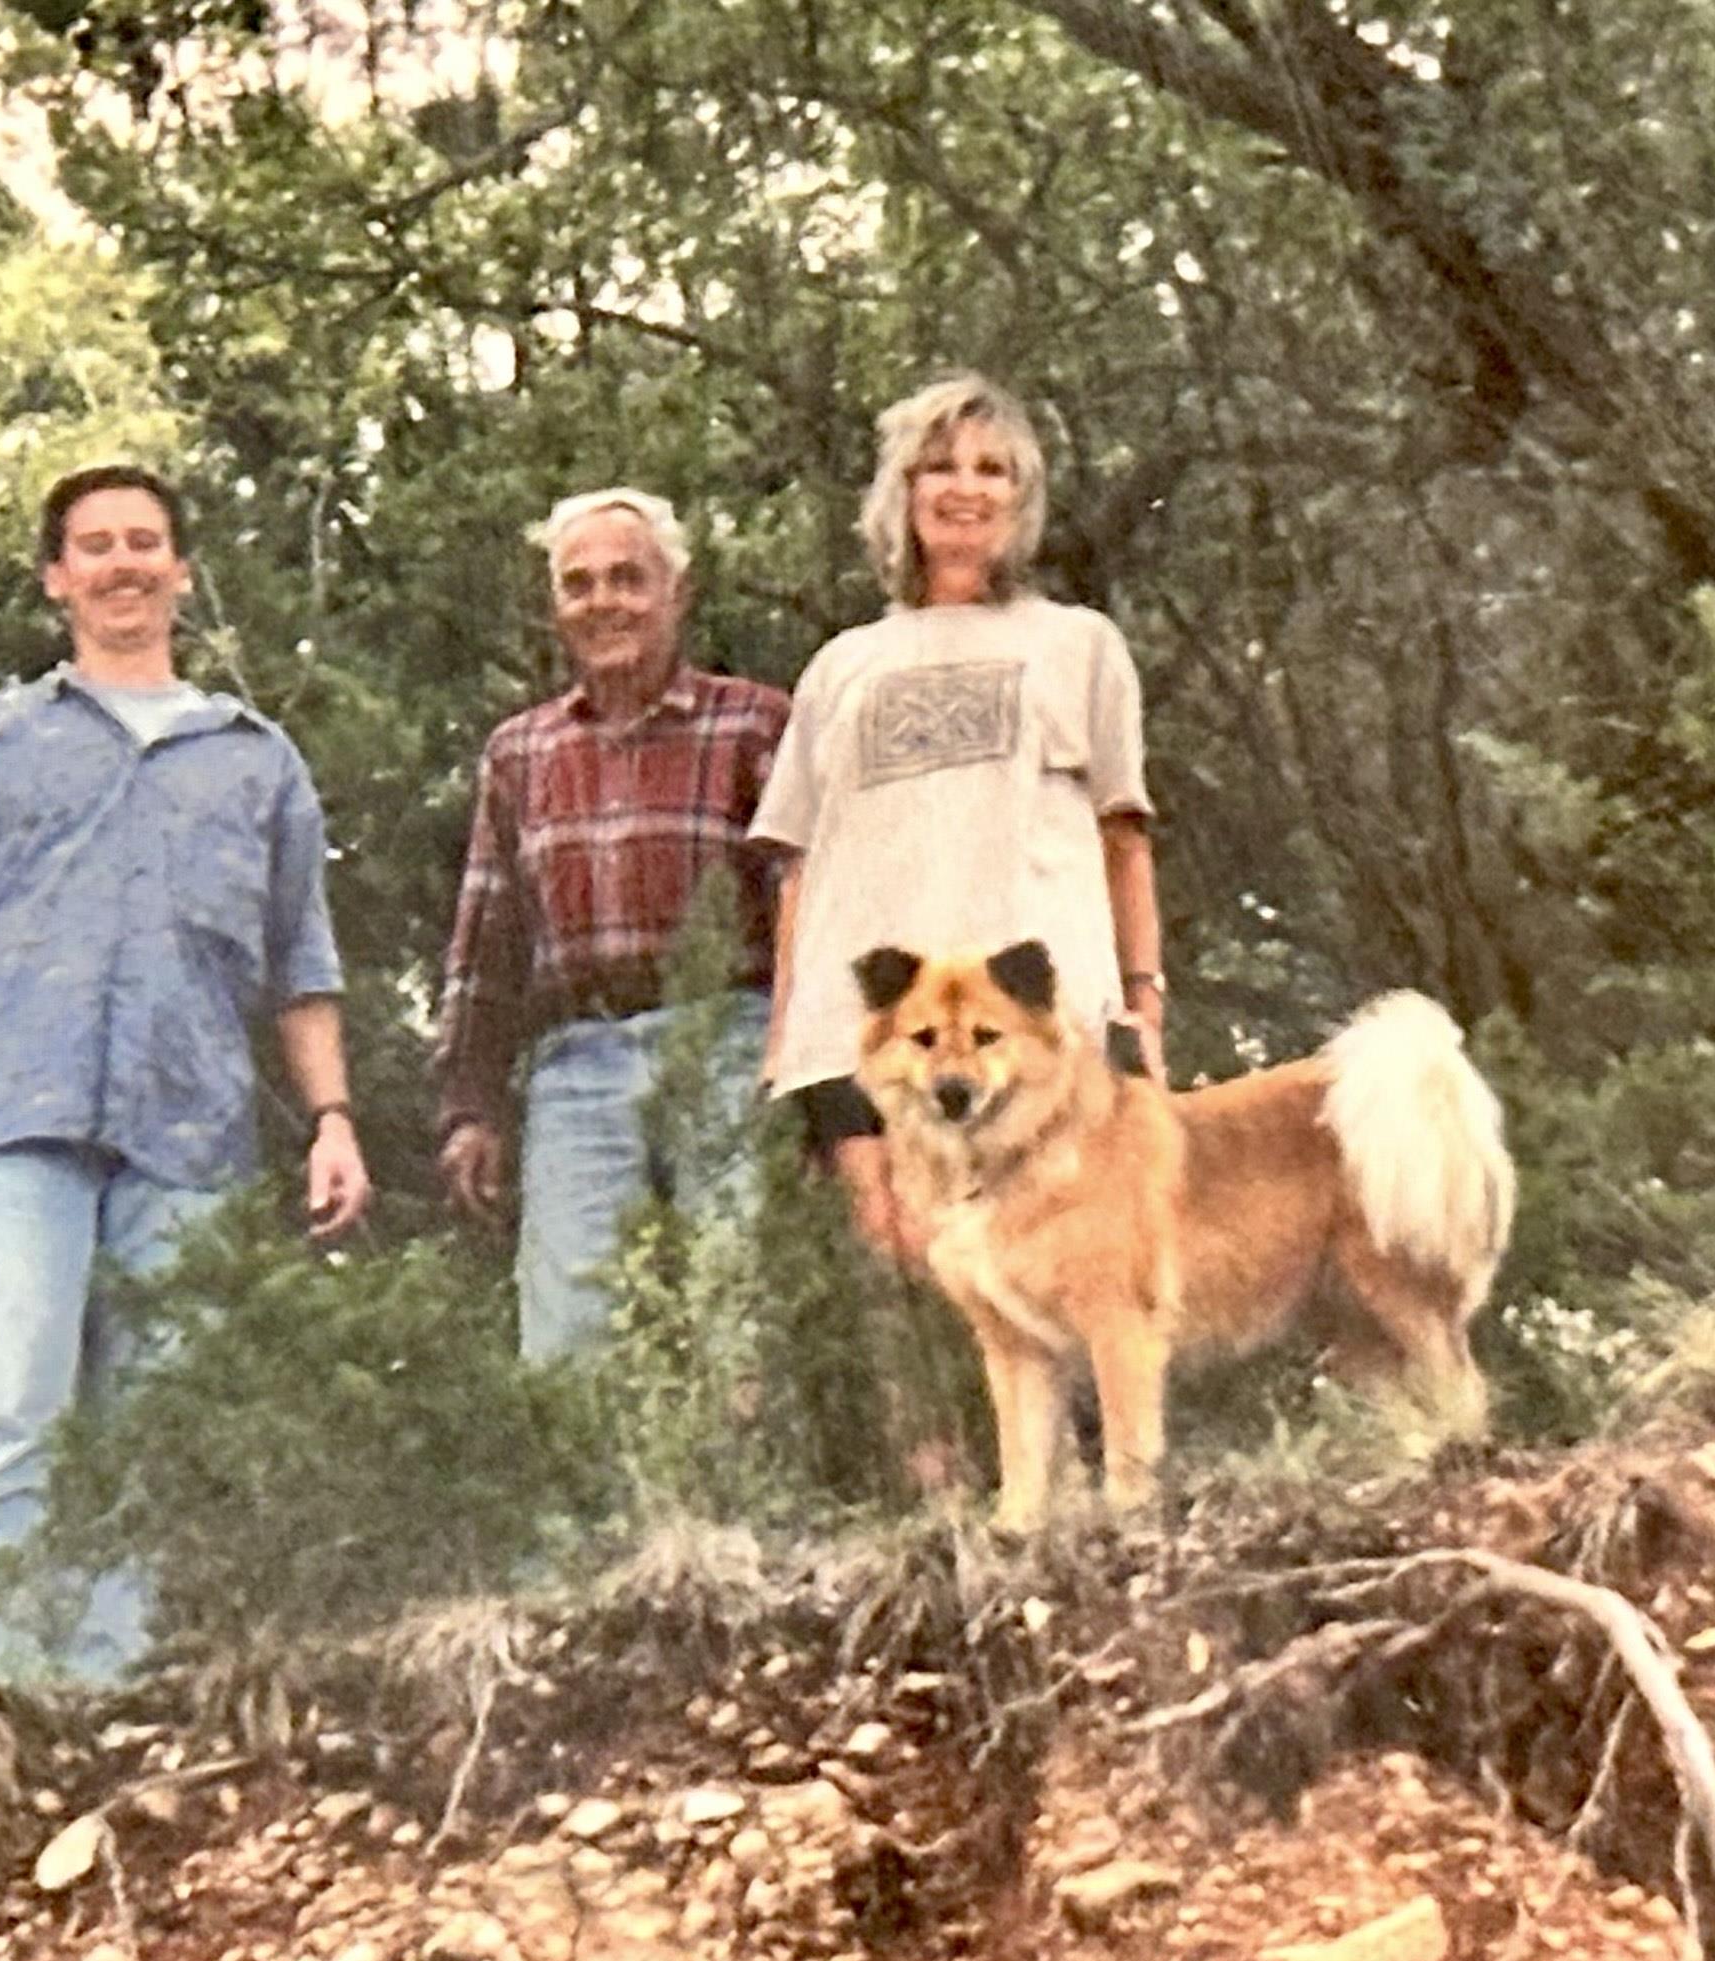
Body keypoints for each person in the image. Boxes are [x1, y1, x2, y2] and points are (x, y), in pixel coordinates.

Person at [0, 462, 370, 1686]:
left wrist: (331, 1117)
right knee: (4, 1406)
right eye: (95, 545)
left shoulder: (256, 758)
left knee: (152, 1432)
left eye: (145, 541)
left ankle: (114, 1698)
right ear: (56, 577)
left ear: (179, 569)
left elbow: (302, 965)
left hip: (193, 1134)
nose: (122, 563)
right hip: (26, 1114)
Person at [754, 372, 1165, 1261]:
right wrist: (788, 1042)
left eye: (992, 469)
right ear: (901, 494)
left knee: (1058, 1294)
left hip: (1035, 1038)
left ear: (1022, 500)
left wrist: (1143, 1005)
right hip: (876, 1041)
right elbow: (801, 871)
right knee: (906, 1300)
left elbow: (1123, 839)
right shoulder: (840, 667)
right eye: (938, 466)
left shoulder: (1079, 644)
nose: (965, 488)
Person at [432, 488, 790, 1358]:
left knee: (738, 1309)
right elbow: (487, 940)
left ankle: (742, 1496)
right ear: (556, 605)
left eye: (628, 579)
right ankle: (590, 1498)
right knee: (568, 1336)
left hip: (727, 1044)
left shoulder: (754, 723)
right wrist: (470, 1104)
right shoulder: (521, 751)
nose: (605, 602)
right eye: (579, 584)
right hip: (578, 1063)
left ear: (677, 590)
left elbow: (804, 913)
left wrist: (807, 1078)